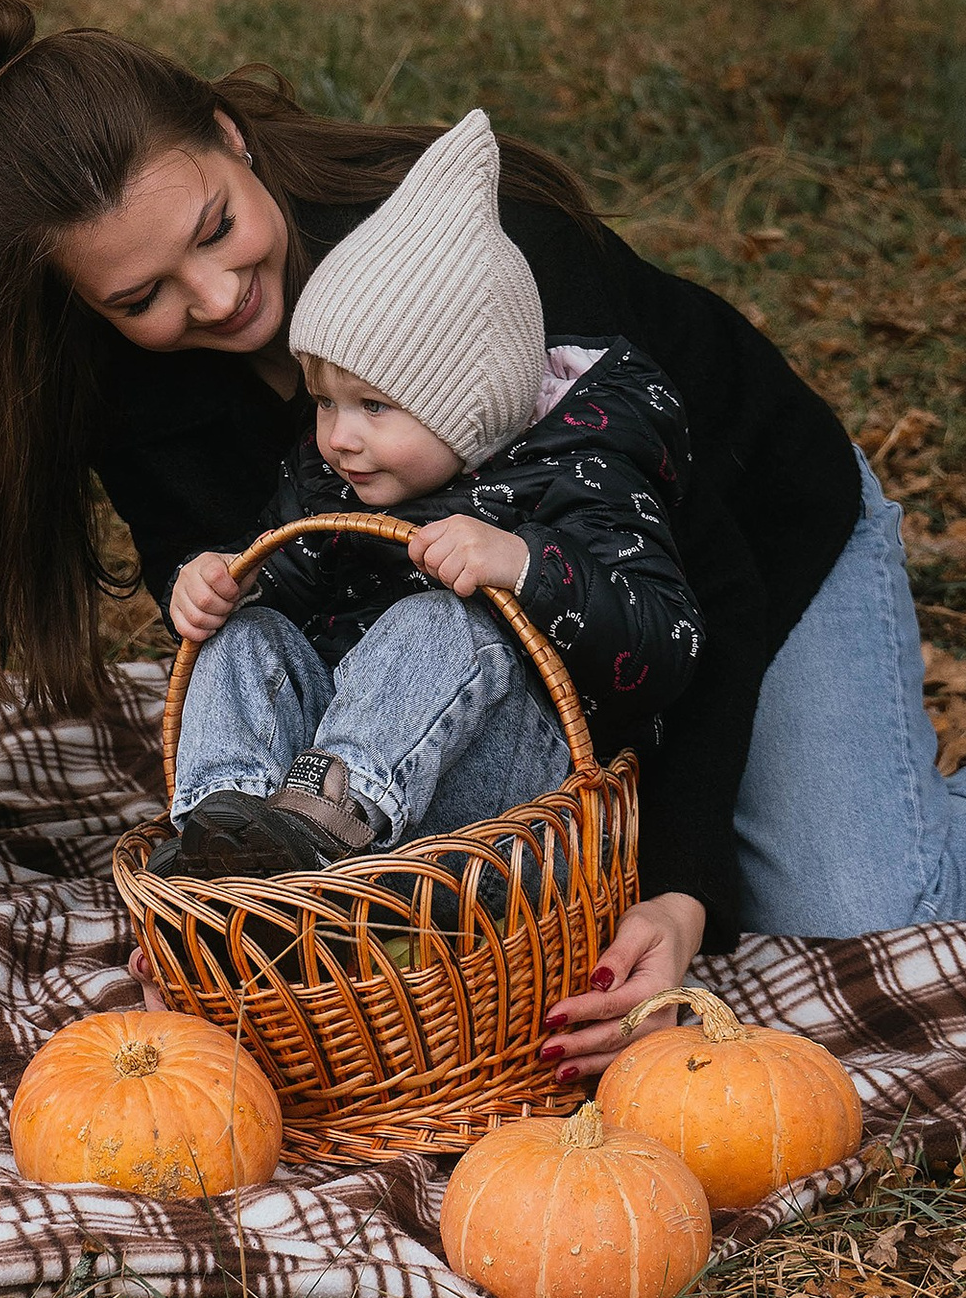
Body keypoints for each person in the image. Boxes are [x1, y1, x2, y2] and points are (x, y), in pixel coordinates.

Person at [0, 0, 966, 1076]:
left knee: (854, 902)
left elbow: (701, 578)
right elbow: (271, 628)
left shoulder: (482, 265)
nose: (212, 298)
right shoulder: (131, 393)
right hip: (479, 630)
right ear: (80, 300)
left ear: (229, 138)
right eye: (140, 295)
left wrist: (678, 887)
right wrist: (230, 931)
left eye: (213, 230)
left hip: (733, 536)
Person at [155, 109, 703, 884]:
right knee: (245, 640)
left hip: (503, 802)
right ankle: (222, 844)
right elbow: (285, 589)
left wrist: (528, 565)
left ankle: (322, 830)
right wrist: (221, 583)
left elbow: (664, 646)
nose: (338, 437)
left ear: (466, 408)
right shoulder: (329, 477)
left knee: (441, 620)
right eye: (325, 402)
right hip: (338, 783)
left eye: (374, 406)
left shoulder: (574, 471)